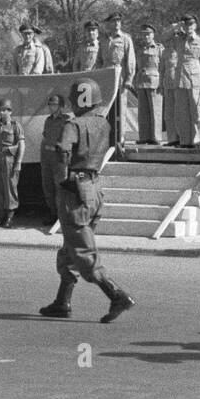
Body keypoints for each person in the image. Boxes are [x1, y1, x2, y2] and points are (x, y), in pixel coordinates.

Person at [39, 78, 135, 323]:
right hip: (94, 188)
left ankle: (116, 295)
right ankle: (62, 302)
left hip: (75, 189)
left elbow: (63, 151)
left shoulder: (73, 124)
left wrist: (61, 180)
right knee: (71, 246)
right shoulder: (103, 124)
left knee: (82, 250)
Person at [166, 13, 200, 148]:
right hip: (180, 78)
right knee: (181, 113)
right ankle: (185, 141)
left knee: (196, 112)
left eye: (191, 24)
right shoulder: (178, 39)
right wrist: (175, 27)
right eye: (186, 24)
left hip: (195, 79)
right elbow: (163, 38)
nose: (189, 27)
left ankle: (197, 141)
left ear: (195, 25)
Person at [96, 13, 135, 144]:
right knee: (106, 109)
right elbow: (99, 61)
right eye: (114, 21)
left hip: (120, 78)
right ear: (109, 23)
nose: (117, 23)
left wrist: (129, 79)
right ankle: (107, 139)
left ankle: (121, 139)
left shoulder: (125, 39)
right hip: (106, 78)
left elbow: (130, 61)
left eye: (118, 20)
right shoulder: (104, 39)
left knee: (121, 109)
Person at [0, 98, 24, 229]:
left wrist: (18, 162)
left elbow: (21, 145)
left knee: (10, 187)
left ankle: (9, 217)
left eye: (4, 110)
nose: (2, 113)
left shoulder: (15, 126)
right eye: (0, 110)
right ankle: (2, 215)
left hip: (9, 159)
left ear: (10, 111)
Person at [40, 92, 72, 225]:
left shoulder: (66, 120)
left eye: (54, 104)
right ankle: (53, 213)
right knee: (48, 187)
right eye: (50, 104)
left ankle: (61, 215)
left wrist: (60, 149)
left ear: (61, 106)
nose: (51, 106)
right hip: (47, 157)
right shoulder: (48, 120)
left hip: (59, 157)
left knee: (60, 187)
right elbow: (45, 137)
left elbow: (68, 140)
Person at [134, 24, 164, 145]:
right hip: (141, 81)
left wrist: (162, 82)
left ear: (153, 35)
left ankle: (156, 137)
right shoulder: (139, 49)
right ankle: (144, 137)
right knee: (143, 112)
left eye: (148, 34)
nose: (146, 36)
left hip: (154, 82)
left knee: (155, 111)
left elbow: (163, 66)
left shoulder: (159, 48)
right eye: (144, 34)